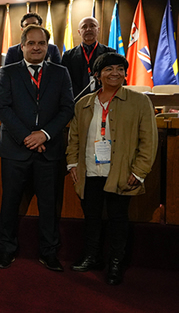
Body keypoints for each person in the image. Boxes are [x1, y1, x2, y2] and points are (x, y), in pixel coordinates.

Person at [66, 53, 157, 285]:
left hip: (122, 172)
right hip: (90, 171)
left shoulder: (139, 101)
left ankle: (115, 262)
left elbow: (149, 140)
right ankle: (92, 256)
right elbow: (74, 137)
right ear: (97, 75)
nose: (114, 73)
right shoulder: (84, 103)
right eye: (108, 69)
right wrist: (73, 163)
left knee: (118, 218)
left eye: (119, 69)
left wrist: (139, 171)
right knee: (92, 217)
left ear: (125, 73)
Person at [0, 25, 74, 272]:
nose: (36, 47)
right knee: (9, 203)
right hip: (15, 150)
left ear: (48, 47)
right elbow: (2, 107)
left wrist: (44, 135)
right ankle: (6, 251)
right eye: (31, 43)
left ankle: (49, 252)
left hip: (49, 151)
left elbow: (67, 109)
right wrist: (27, 137)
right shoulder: (7, 72)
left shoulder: (61, 73)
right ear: (22, 46)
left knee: (49, 205)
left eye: (41, 43)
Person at [61, 17, 116, 100]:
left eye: (92, 26)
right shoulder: (68, 56)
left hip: (104, 100)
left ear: (98, 30)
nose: (88, 29)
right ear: (79, 32)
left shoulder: (109, 53)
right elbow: (65, 82)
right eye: (84, 27)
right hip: (76, 101)